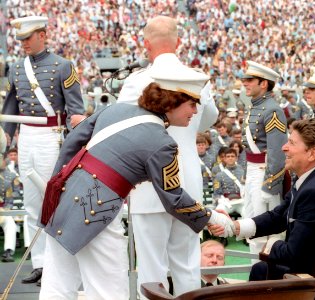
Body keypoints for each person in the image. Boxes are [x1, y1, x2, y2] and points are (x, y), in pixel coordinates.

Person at [39, 64, 234, 299]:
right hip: (99, 209)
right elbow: (174, 199)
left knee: (57, 286)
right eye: (191, 104)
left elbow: (72, 143)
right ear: (172, 101)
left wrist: (59, 184)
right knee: (109, 292)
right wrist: (212, 217)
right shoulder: (163, 144)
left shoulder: (116, 109)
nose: (194, 111)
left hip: (65, 197)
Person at [116, 16, 219, 296]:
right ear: (180, 42)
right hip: (187, 183)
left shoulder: (136, 82)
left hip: (148, 184)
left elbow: (119, 129)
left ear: (145, 44)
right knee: (187, 264)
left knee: (150, 268)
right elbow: (208, 120)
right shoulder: (197, 79)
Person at [211, 119, 315, 280]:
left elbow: (293, 255)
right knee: (261, 269)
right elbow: (280, 215)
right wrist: (235, 226)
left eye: (292, 143)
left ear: (312, 153)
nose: (284, 147)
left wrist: (271, 245)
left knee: (260, 271)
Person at [1, 16, 85, 285]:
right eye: (21, 39)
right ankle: (38, 263)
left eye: (28, 37)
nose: (24, 43)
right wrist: (6, 134)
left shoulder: (62, 66)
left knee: (54, 198)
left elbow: (76, 109)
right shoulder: (16, 67)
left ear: (42, 35)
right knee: (31, 202)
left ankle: (57, 264)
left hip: (52, 136)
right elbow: (12, 105)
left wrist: (75, 141)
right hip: (26, 136)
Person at [240, 60, 288, 255]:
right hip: (253, 171)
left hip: (263, 173)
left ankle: (263, 276)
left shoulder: (272, 109)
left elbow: (277, 152)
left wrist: (271, 183)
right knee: (250, 222)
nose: (245, 83)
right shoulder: (255, 106)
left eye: (250, 80)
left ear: (264, 84)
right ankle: (256, 273)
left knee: (262, 227)